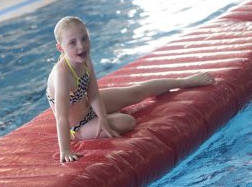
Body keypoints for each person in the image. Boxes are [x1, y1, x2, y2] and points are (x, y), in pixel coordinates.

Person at [46, 17, 215, 163]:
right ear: (60, 48)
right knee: (126, 122)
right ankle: (97, 124)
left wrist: (103, 118)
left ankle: (184, 81)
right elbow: (61, 118)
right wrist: (65, 150)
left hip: (88, 106)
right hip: (76, 127)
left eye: (84, 38)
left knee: (136, 92)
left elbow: (93, 94)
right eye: (72, 43)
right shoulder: (62, 74)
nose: (81, 46)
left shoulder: (84, 58)